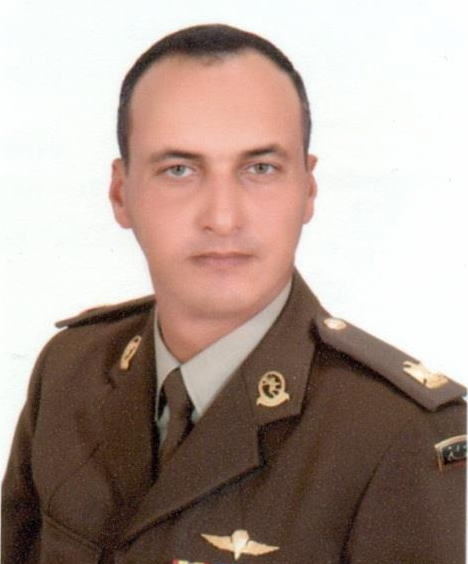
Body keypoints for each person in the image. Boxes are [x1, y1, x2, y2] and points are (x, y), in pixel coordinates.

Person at [2, 23, 466, 564]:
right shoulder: (71, 371)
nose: (223, 218)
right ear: (121, 192)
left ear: (308, 188)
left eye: (260, 168)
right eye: (179, 170)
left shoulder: (397, 431)